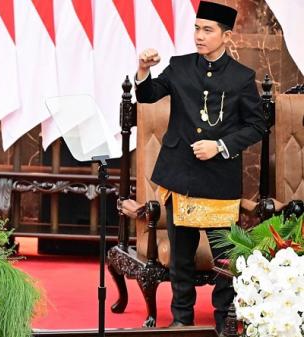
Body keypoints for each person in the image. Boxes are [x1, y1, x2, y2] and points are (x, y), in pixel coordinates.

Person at [126, 1, 266, 334]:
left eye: (208, 30)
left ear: (226, 35)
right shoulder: (180, 66)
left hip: (219, 181)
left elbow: (257, 125)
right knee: (181, 258)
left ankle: (222, 322)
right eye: (196, 28)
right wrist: (143, 70)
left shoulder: (242, 77)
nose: (199, 36)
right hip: (180, 177)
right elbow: (147, 95)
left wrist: (220, 145)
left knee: (224, 260)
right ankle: (181, 320)